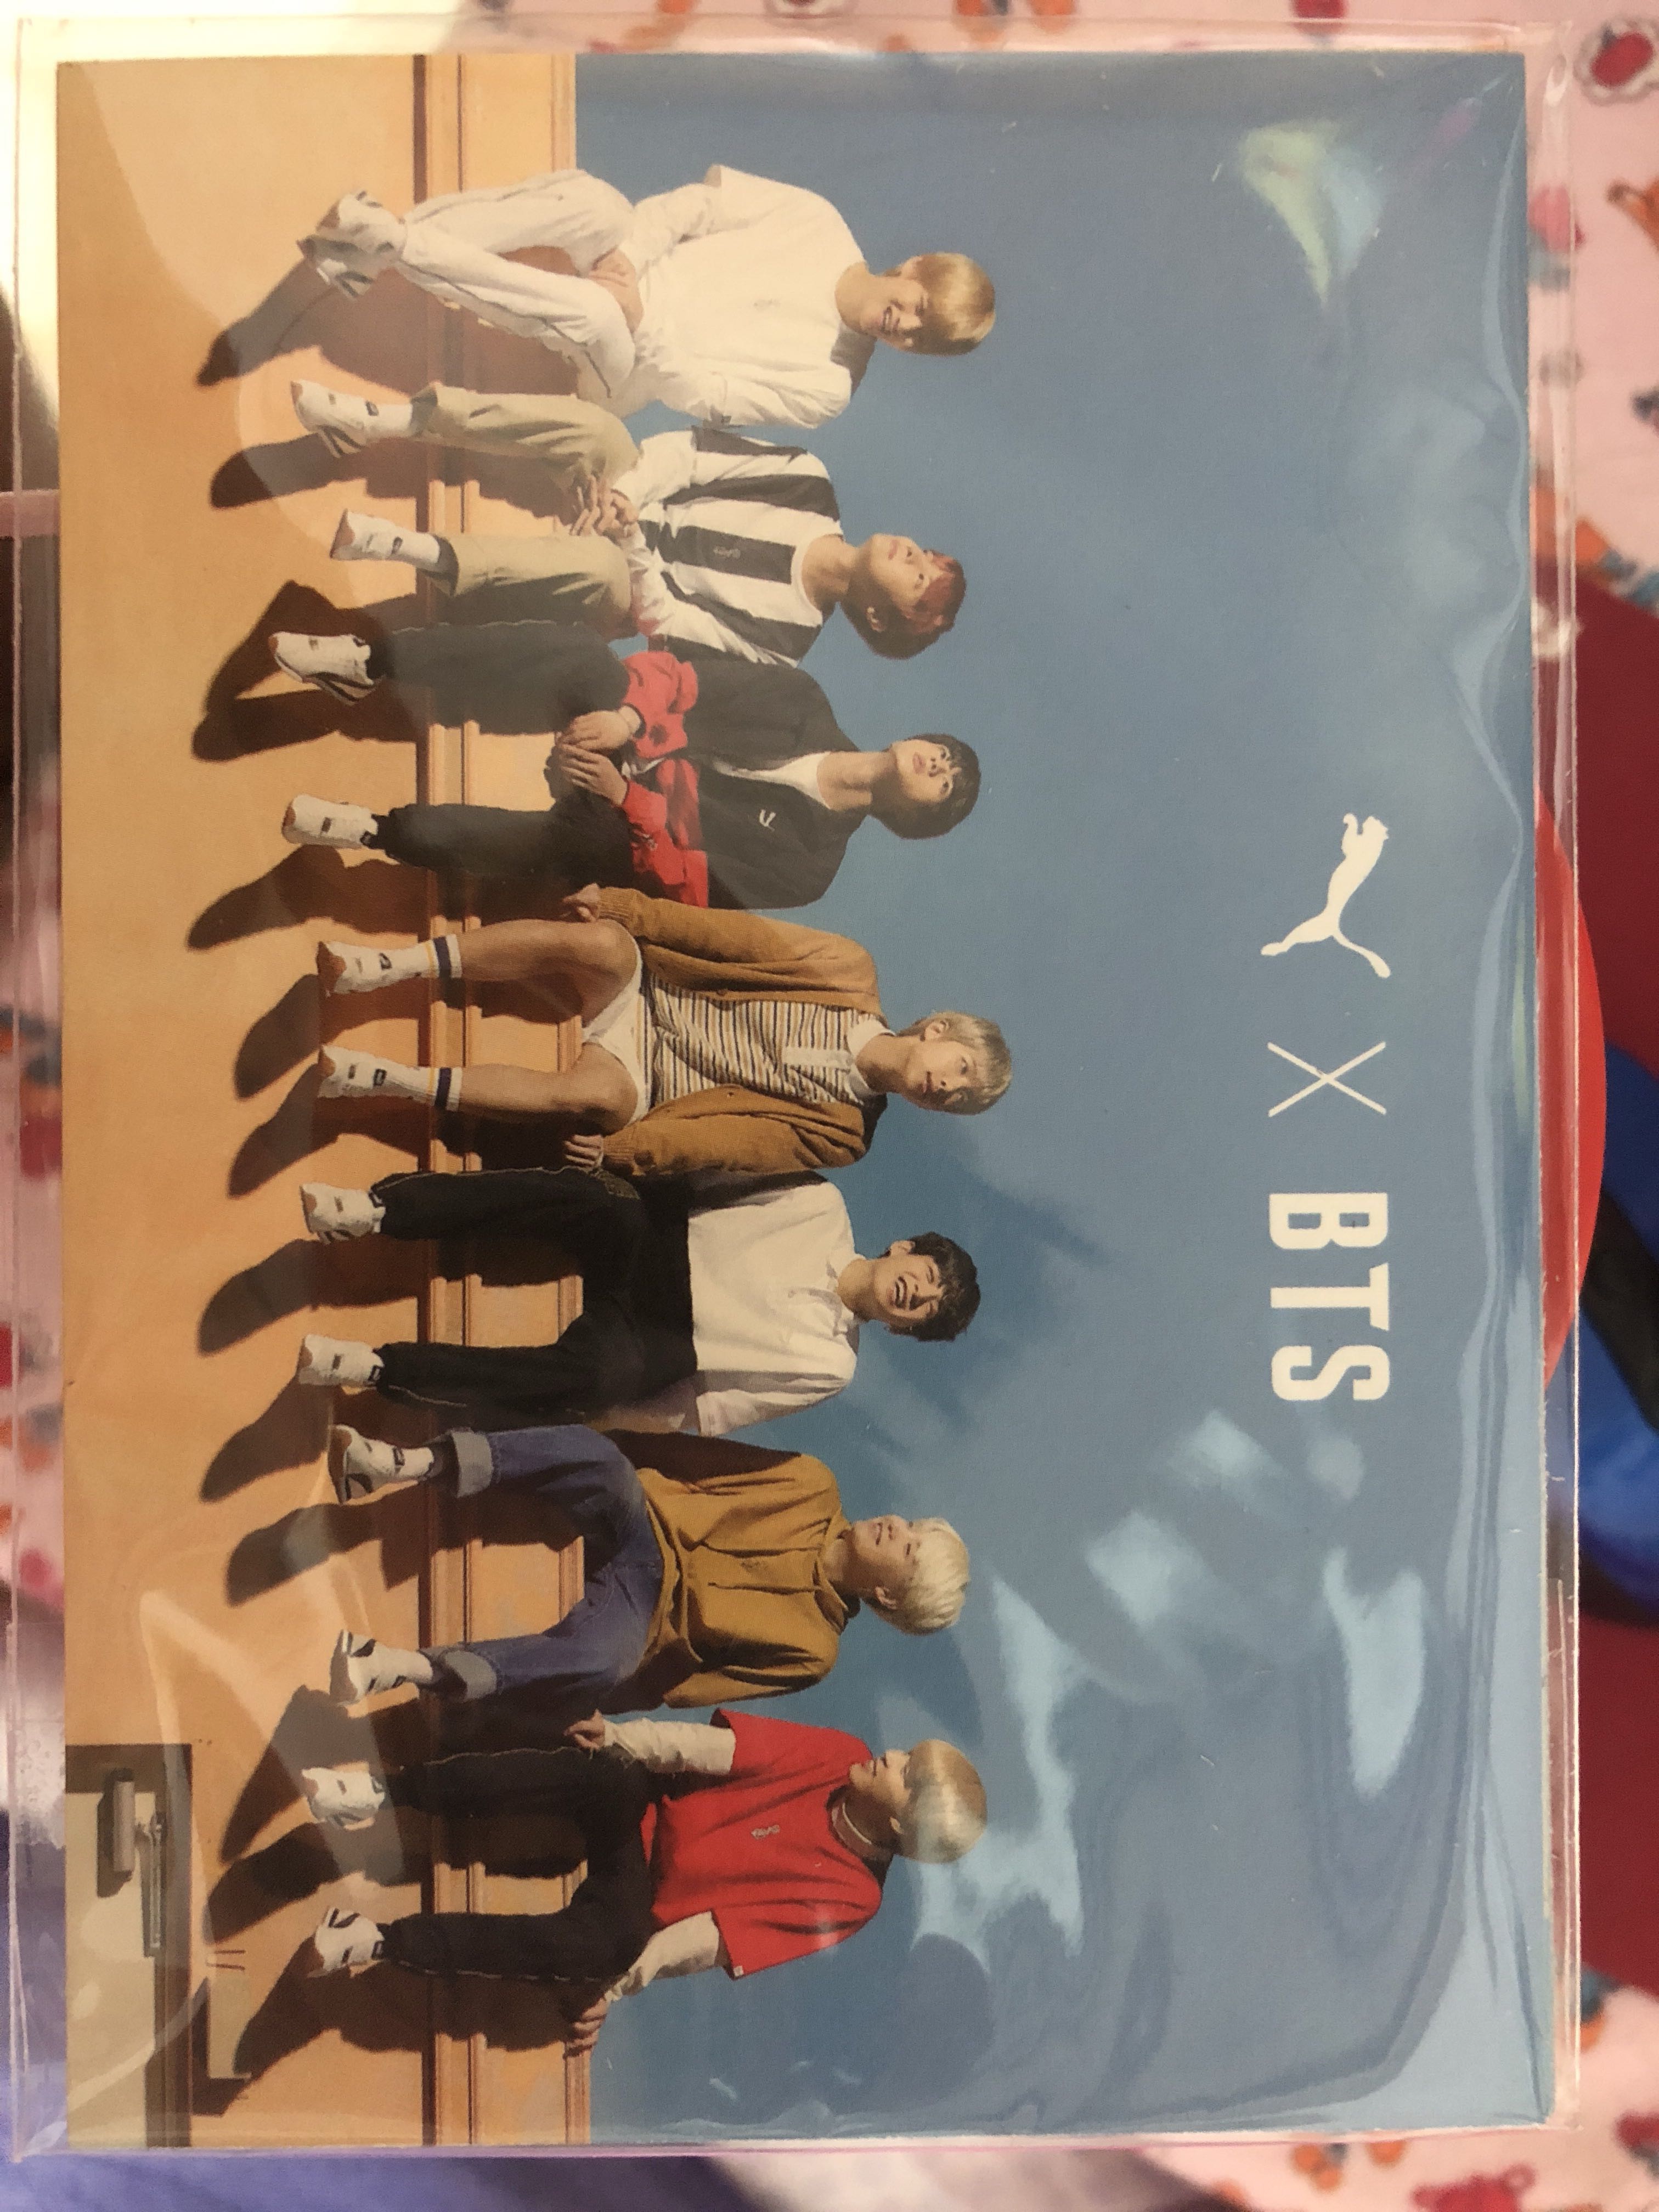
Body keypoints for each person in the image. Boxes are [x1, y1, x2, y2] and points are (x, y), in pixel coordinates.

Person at [300, 1709, 988, 2057]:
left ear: (901, 1824)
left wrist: (615, 1987)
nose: (888, 1753)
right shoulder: (839, 1752)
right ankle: (378, 1793)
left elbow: (713, 1939)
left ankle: (377, 1939)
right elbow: (715, 1751)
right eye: (906, 1752)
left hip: (641, 1900)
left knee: (598, 1947)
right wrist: (623, 1737)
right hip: (641, 1808)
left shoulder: (854, 1899)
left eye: (905, 1771)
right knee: (602, 1767)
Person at [305, 887, 1013, 1175]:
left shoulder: (846, 1134)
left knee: (590, 1099)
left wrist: (624, 1150)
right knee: (599, 942)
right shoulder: (847, 969)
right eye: (960, 1069)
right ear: (937, 1030)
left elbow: (731, 1144)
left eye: (959, 1099)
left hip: (648, 1077)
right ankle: (387, 966)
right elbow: (731, 936)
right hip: (650, 987)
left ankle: (386, 1078)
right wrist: (626, 908)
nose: (946, 1088)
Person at [276, 631, 980, 911]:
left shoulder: (810, 868)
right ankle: (369, 664)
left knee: (591, 848)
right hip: (624, 732)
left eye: (944, 783)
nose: (938, 763)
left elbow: (687, 882)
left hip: (623, 821)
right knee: (587, 660)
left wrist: (624, 797)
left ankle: (375, 831)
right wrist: (628, 720)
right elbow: (679, 678)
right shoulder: (802, 700)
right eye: (945, 753)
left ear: (913, 819)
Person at [317, 1419, 969, 1711]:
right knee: (600, 1460)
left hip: (643, 1612)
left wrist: (607, 1705)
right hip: (644, 1517)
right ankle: (399, 1464)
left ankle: (401, 1668)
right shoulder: (812, 1481)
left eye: (908, 1549)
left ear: (888, 1596)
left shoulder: (814, 1651)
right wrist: (605, 1444)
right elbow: (693, 1457)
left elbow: (690, 1688)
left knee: (603, 1662)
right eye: (913, 1525)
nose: (898, 1526)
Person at [286, 393, 966, 665]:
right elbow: (691, 455)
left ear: (877, 618)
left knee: (604, 568)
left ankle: (403, 547)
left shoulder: (784, 643)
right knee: (602, 431)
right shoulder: (807, 480)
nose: (915, 555)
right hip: (624, 494)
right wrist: (623, 498)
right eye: (928, 555)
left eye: (920, 579)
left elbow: (666, 623)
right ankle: (381, 421)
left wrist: (629, 537)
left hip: (618, 584)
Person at [291, 1165, 980, 1432]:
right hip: (659, 1241)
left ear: (904, 1329)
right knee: (600, 1201)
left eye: (926, 1308)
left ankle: (379, 1367)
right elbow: (705, 1177)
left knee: (599, 1378)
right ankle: (378, 1211)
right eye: (927, 1274)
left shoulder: (833, 1367)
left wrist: (617, 1415)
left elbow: (716, 1406)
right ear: (904, 1247)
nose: (917, 1293)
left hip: (665, 1339)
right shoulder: (821, 1202)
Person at [300, 166, 995, 427]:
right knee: (599, 204)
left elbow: (706, 396)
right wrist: (629, 260)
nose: (905, 328)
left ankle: (395, 244)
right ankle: (372, 253)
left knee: (596, 312)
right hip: (630, 270)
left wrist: (638, 316)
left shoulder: (828, 389)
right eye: (920, 308)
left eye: (920, 341)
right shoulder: (818, 220)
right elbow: (696, 207)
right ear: (916, 266)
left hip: (625, 367)